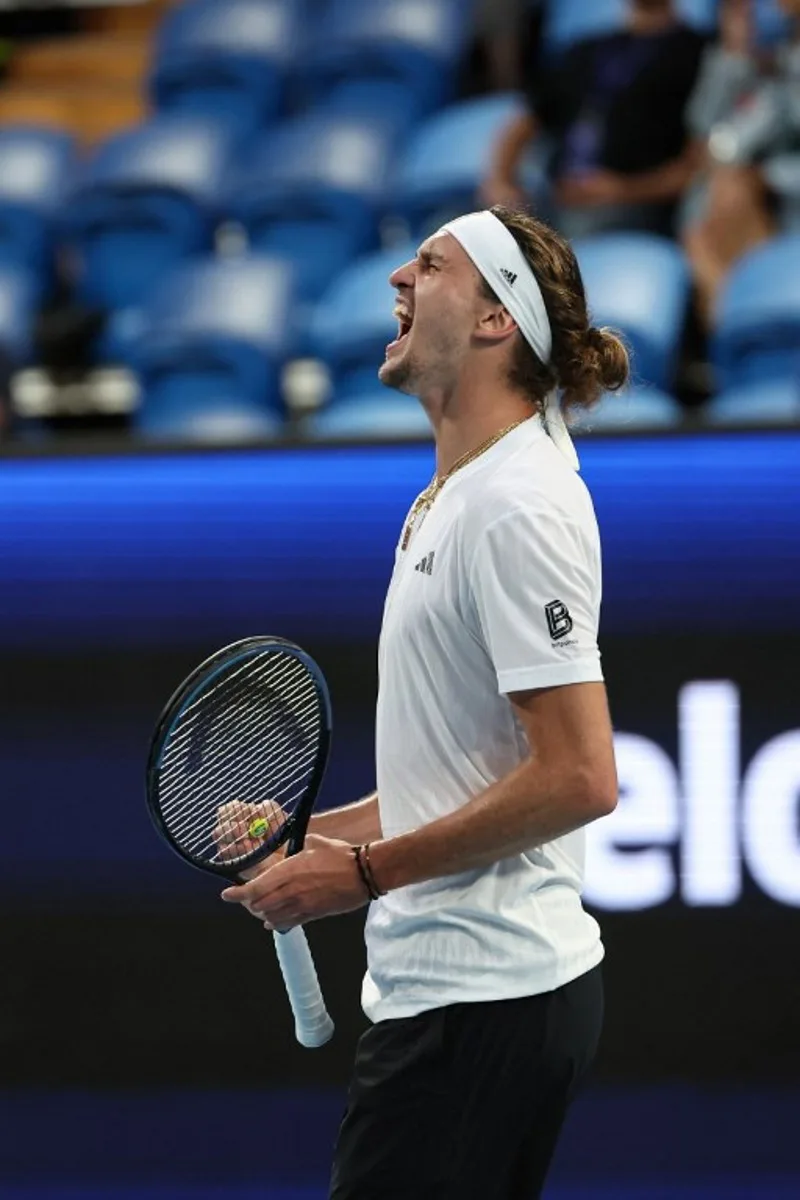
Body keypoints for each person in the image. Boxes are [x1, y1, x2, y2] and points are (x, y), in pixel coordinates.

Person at [220, 206, 627, 1199]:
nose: (396, 276)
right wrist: (314, 835)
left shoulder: (515, 503)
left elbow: (578, 777)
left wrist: (359, 873)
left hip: (482, 1004)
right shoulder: (452, 495)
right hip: (453, 1005)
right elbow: (460, 773)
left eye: (430, 264)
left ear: (496, 321)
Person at [481, 0, 707, 239]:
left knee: (566, 242)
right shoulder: (585, 49)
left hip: (633, 207)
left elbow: (699, 162)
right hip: (557, 196)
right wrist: (501, 182)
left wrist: (621, 190)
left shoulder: (699, 54)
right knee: (463, 228)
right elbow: (524, 121)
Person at [681, 0, 800, 329]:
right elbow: (705, 139)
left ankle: (740, 319)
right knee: (716, 195)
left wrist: (768, 177)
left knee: (729, 192)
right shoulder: (754, 65)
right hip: (732, 204)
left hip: (784, 204)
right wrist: (734, 57)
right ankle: (734, 323)